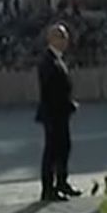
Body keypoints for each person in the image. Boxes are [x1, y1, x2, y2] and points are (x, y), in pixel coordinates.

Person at [36, 24, 78, 202]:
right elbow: (51, 89)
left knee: (63, 148)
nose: (65, 41)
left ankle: (62, 182)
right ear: (51, 39)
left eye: (66, 37)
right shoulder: (47, 60)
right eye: (61, 37)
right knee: (52, 151)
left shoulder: (58, 59)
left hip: (61, 112)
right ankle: (48, 188)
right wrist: (65, 103)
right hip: (53, 113)